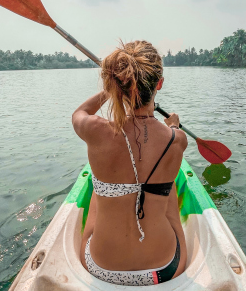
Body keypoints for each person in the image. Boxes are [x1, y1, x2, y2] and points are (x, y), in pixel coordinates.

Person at [72, 40, 188, 286]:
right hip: (166, 268)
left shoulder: (95, 130)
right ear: (159, 84)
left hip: (100, 268)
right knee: (169, 188)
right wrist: (174, 126)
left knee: (98, 186)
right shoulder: (177, 140)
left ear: (118, 84)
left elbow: (79, 113)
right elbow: (170, 133)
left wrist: (111, 88)